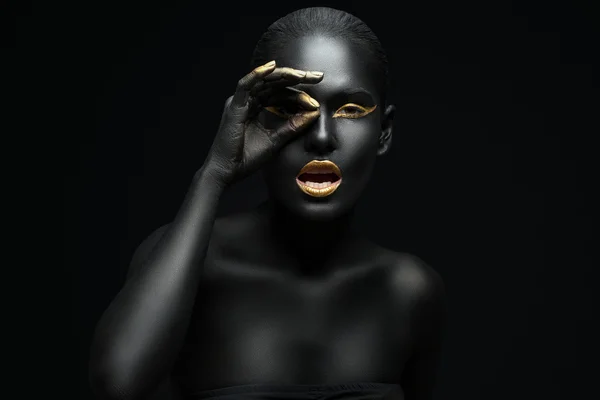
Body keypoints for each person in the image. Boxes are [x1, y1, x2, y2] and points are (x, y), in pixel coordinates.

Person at [89, 7, 446, 400]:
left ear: (384, 133)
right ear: (249, 120)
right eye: (293, 107)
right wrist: (214, 173)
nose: (323, 138)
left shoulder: (409, 290)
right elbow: (118, 385)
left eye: (350, 110)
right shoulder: (188, 267)